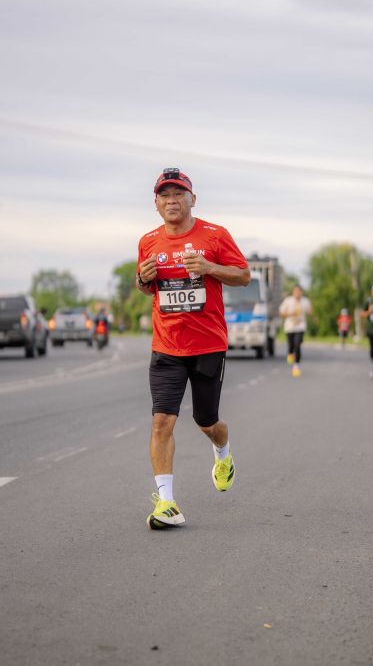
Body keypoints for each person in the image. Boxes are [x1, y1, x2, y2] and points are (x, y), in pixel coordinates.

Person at [137, 167, 250, 530]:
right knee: (161, 421)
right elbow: (146, 287)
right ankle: (166, 503)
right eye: (164, 195)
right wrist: (143, 279)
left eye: (178, 194)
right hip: (166, 345)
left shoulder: (216, 235)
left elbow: (243, 275)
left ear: (192, 199)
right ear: (156, 204)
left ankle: (222, 453)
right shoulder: (148, 241)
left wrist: (210, 267)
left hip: (207, 344)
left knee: (207, 422)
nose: (171, 200)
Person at [279, 285, 312, 377]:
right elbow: (281, 313)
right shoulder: (288, 300)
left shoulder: (305, 301)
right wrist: (291, 313)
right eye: (295, 291)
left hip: (300, 326)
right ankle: (290, 353)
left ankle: (296, 366)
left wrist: (310, 312)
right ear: (293, 292)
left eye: (299, 291)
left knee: (297, 344)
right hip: (290, 326)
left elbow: (310, 311)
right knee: (291, 345)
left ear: (301, 292)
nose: (297, 293)